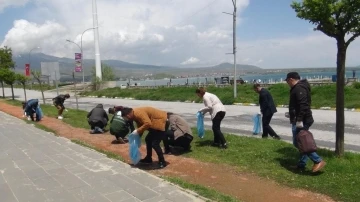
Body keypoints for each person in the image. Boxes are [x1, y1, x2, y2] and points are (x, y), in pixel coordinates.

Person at [285, 72, 326, 172]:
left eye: (287, 81)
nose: (287, 83)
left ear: (291, 79)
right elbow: (298, 105)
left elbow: (303, 105)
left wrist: (299, 120)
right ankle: (301, 165)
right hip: (300, 118)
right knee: (301, 142)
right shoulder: (299, 87)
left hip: (302, 120)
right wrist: (291, 113)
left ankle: (318, 160)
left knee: (299, 142)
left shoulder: (299, 88)